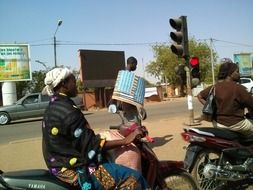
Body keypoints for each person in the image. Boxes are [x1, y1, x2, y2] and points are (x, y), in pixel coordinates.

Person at [41, 67, 147, 189]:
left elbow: (78, 137)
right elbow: (90, 146)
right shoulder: (69, 112)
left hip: (58, 165)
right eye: (72, 80)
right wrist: (126, 140)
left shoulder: (54, 106)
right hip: (76, 171)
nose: (76, 84)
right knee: (133, 178)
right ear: (64, 84)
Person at [197, 58, 253, 138]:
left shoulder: (215, 87)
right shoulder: (239, 88)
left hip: (218, 124)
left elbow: (200, 96)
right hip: (236, 124)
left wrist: (213, 107)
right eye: (237, 71)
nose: (239, 74)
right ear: (230, 73)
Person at [121, 56, 142, 126]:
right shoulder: (127, 76)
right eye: (136, 65)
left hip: (128, 104)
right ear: (132, 63)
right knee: (134, 125)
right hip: (128, 104)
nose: (136, 67)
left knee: (134, 123)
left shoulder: (124, 74)